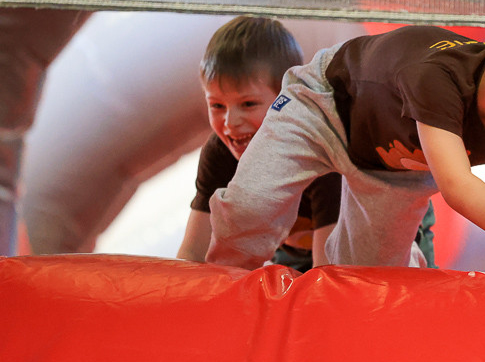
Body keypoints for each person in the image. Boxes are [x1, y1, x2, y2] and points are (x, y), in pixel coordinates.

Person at [207, 0, 485, 276]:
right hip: (323, 107)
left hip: (394, 168)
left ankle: (411, 269)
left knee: (365, 278)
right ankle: (218, 288)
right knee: (250, 207)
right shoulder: (438, 77)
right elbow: (458, 189)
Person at [178, 16, 435, 271]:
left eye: (248, 104)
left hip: (386, 227)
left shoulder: (318, 152)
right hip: (295, 250)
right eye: (217, 106)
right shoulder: (219, 153)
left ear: (286, 100)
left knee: (388, 281)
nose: (230, 122)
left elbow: (328, 271)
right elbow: (192, 253)